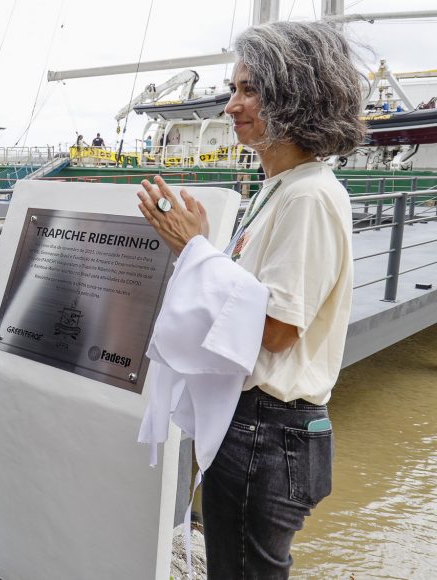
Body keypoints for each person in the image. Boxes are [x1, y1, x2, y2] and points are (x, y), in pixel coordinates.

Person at [136, 20, 361, 578]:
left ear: (295, 95)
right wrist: (201, 250)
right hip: (261, 429)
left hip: (270, 431)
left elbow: (281, 328)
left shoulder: (309, 196)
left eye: (248, 88)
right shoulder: (278, 189)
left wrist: (195, 250)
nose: (231, 103)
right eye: (233, 87)